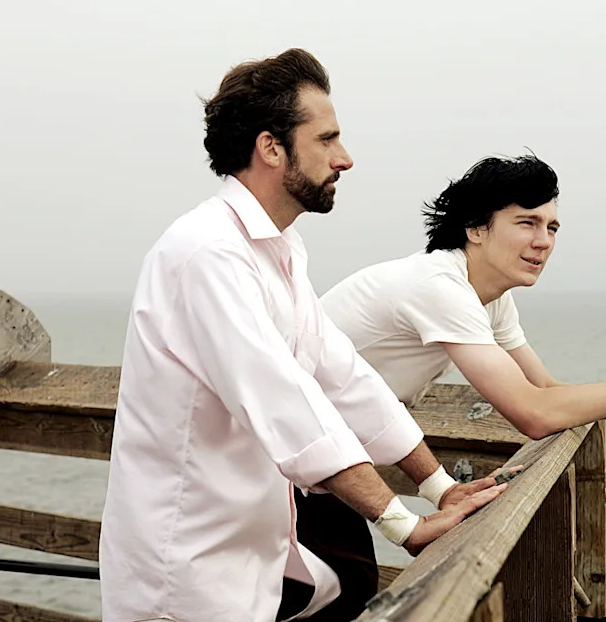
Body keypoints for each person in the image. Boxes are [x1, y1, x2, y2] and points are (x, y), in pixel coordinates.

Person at [98, 49, 506, 622]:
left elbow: (343, 377)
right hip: (185, 569)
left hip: (253, 554)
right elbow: (282, 398)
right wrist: (401, 522)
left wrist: (438, 487)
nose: (345, 159)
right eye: (327, 140)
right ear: (271, 147)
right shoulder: (206, 253)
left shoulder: (279, 250)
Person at [321, 154, 606, 437]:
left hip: (319, 446)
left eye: (551, 228)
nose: (543, 241)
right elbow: (533, 415)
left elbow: (547, 390)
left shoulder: (488, 296)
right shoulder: (438, 288)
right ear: (476, 229)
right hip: (282, 445)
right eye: (527, 223)